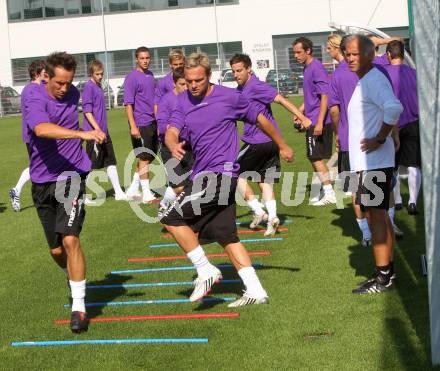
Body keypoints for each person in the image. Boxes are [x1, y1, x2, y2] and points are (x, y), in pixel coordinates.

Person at [160, 53, 293, 307]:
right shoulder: (182, 101)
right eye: (189, 81)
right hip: (203, 174)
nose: (193, 85)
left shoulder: (229, 97)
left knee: (171, 217)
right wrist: (173, 144)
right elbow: (171, 130)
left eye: (198, 80)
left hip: (220, 175)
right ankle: (255, 289)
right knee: (226, 235)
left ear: (209, 76)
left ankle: (205, 270)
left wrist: (282, 144)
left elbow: (261, 118)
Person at [24, 52, 106, 330]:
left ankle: (79, 308)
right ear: (46, 76)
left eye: (68, 83)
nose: (64, 89)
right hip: (42, 181)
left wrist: (93, 131)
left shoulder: (73, 93)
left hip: (72, 175)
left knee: (71, 240)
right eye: (59, 83)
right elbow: (41, 129)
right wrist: (82, 134)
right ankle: (71, 276)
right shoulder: (32, 95)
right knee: (57, 250)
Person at [344, 35, 403, 294]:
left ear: (370, 54)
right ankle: (387, 273)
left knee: (376, 217)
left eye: (355, 53)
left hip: (375, 163)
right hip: (370, 163)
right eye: (347, 53)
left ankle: (383, 278)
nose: (350, 58)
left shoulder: (374, 79)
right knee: (378, 216)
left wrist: (381, 138)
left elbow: (393, 108)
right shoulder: (365, 80)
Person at [229, 53, 311, 235]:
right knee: (264, 181)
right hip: (272, 142)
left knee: (231, 172)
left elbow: (280, 99)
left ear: (249, 69)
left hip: (258, 141)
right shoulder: (241, 88)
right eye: (234, 71)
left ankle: (258, 210)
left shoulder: (255, 86)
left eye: (239, 70)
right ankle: (272, 217)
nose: (236, 74)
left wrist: (302, 116)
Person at [327, 34, 373, 247]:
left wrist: (338, 132)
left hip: (349, 140)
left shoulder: (337, 76)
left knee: (356, 188)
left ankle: (365, 233)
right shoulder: (372, 68)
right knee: (380, 185)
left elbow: (334, 109)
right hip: (374, 138)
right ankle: (387, 223)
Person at [292, 37, 336, 206]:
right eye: (294, 52)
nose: (296, 55)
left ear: (308, 51)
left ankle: (329, 193)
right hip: (311, 118)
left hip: (317, 121)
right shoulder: (308, 68)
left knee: (315, 157)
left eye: (298, 52)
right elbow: (313, 95)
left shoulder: (316, 67)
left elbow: (325, 96)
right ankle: (328, 191)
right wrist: (301, 111)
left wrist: (319, 122)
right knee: (314, 157)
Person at [384, 40, 421, 215]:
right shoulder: (415, 73)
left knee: (393, 165)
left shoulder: (383, 73)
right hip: (414, 121)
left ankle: (397, 200)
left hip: (393, 124)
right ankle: (413, 201)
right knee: (414, 164)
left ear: (389, 55)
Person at [82, 60, 126, 201]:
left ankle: (118, 192)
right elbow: (87, 112)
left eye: (102, 74)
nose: (100, 76)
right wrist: (97, 130)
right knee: (88, 165)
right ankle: (80, 195)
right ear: (91, 73)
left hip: (104, 133)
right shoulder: (89, 88)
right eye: (97, 74)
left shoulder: (99, 86)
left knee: (110, 161)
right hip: (94, 134)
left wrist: (103, 130)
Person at [9, 60, 48, 212]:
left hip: (35, 135)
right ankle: (17, 190)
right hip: (34, 136)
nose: (48, 75)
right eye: (45, 73)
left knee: (39, 166)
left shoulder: (34, 88)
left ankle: (17, 190)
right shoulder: (33, 89)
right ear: (37, 73)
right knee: (39, 167)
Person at [123, 46, 158, 203]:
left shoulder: (151, 75)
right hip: (141, 123)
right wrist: (133, 126)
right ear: (136, 59)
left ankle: (132, 188)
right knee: (144, 157)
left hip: (152, 121)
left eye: (147, 58)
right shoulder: (131, 78)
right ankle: (146, 193)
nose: (145, 61)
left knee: (150, 156)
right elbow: (128, 104)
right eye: (142, 58)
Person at [156, 67, 192, 209]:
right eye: (182, 84)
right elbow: (161, 125)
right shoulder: (166, 100)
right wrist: (174, 130)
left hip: (188, 147)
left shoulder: (191, 98)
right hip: (169, 148)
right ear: (174, 83)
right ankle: (164, 205)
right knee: (179, 186)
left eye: (186, 84)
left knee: (192, 183)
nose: (185, 87)